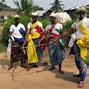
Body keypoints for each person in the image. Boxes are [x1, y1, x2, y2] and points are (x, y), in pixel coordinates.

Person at [54, 7, 89, 88]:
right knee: (77, 59)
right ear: (77, 14)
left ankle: (82, 80)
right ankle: (80, 73)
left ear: (84, 14)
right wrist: (58, 38)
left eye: (82, 13)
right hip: (76, 43)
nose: (80, 15)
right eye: (79, 13)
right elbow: (67, 31)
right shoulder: (75, 23)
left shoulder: (87, 21)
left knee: (82, 61)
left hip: (84, 43)